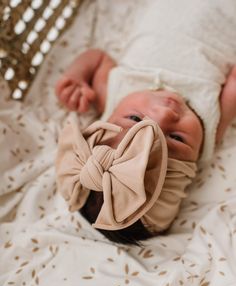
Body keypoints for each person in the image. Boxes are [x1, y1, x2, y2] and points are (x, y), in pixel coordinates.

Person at [55, 0, 236, 245]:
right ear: (191, 167)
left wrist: (75, 77)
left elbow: (97, 58)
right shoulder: (209, 131)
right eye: (177, 138)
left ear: (106, 120)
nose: (165, 113)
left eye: (135, 119)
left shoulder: (114, 96)